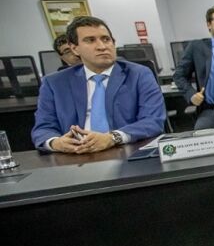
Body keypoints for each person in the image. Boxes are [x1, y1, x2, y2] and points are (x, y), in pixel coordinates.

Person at [32, 16, 166, 153]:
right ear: (75, 48)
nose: (102, 46)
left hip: (125, 151)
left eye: (106, 39)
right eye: (90, 40)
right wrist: (56, 143)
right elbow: (43, 128)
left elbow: (153, 120)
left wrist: (112, 138)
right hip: (75, 157)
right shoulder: (54, 83)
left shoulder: (139, 74)